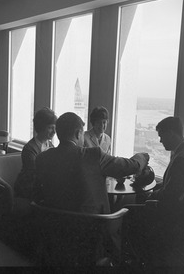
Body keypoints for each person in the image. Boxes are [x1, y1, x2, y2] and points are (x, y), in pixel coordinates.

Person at [34, 112, 149, 265]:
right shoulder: (92, 155)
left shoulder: (42, 158)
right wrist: (142, 156)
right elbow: (129, 166)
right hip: (90, 228)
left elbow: (37, 193)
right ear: (78, 133)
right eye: (82, 133)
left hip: (55, 226)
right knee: (129, 216)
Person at [125, 116, 184, 268]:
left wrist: (150, 195)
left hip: (176, 222)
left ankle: (144, 262)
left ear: (171, 133)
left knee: (127, 213)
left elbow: (170, 198)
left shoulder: (182, 159)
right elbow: (175, 186)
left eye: (161, 136)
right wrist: (157, 189)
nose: (160, 141)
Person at [14, 107, 57, 200]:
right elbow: (34, 174)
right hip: (28, 189)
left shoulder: (50, 145)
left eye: (55, 128)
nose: (54, 131)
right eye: (50, 128)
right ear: (41, 127)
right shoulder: (29, 148)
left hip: (43, 186)